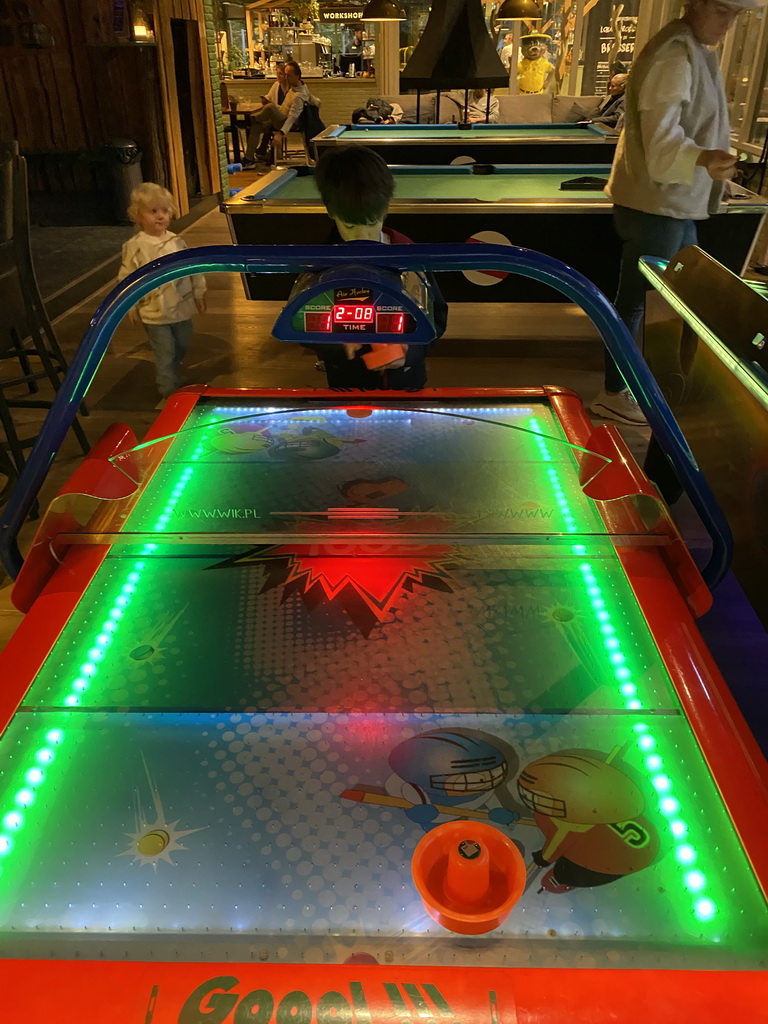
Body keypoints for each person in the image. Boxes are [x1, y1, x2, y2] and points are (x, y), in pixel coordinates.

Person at [591, 0, 759, 426]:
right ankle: (614, 392)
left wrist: (707, 158)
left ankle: (669, 387)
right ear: (697, 5)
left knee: (683, 300)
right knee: (637, 303)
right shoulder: (674, 54)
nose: (730, 23)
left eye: (737, 14)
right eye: (724, 11)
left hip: (669, 204)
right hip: (658, 206)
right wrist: (705, 159)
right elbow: (663, 140)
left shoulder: (689, 48)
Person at [309, 146, 447, 390]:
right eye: (351, 226)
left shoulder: (408, 253)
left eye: (371, 223)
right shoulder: (321, 263)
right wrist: (337, 344)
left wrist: (410, 351)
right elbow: (304, 325)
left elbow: (437, 315)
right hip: (347, 384)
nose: (363, 238)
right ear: (331, 212)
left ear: (385, 209)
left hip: (407, 381)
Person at [118, 183, 206, 400]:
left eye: (164, 211)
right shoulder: (135, 246)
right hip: (154, 311)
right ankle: (169, 392)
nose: (160, 216)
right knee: (165, 351)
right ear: (138, 216)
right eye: (153, 211)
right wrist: (131, 305)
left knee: (183, 344)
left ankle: (172, 373)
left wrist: (199, 292)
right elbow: (127, 277)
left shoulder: (176, 241)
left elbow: (193, 268)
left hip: (181, 307)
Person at [242, 60, 319, 167]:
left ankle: (253, 119)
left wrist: (280, 133)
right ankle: (249, 159)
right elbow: (315, 100)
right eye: (285, 75)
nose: (286, 78)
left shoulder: (299, 95)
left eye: (289, 75)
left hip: (289, 124)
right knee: (256, 127)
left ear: (297, 76)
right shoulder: (300, 87)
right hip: (281, 117)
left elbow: (292, 118)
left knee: (270, 107)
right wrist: (316, 104)